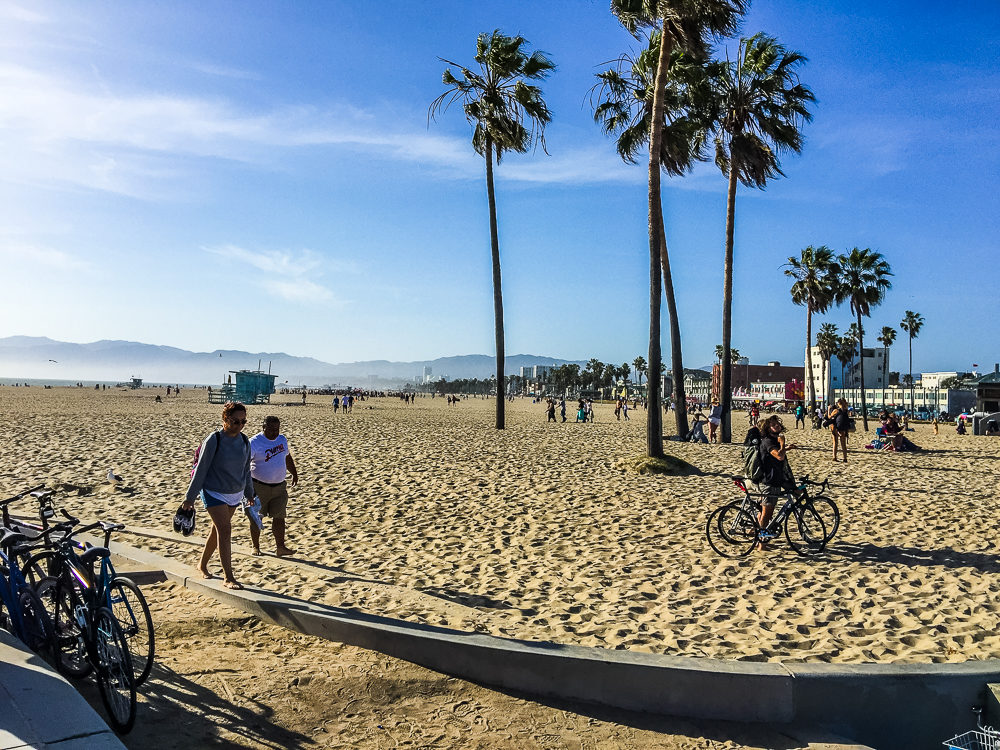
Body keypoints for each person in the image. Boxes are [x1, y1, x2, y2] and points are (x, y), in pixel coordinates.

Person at [185, 401, 254, 589]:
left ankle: (202, 564)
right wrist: (189, 497)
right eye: (235, 421)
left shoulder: (244, 441)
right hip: (213, 491)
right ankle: (228, 577)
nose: (239, 425)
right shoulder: (214, 439)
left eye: (243, 422)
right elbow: (201, 469)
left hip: (235, 493)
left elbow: (246, 470)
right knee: (225, 530)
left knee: (217, 531)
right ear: (225, 419)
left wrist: (249, 493)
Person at [249, 415, 299, 556]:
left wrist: (294, 473)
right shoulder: (254, 442)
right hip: (259, 486)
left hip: (279, 487)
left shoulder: (282, 439)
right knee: (257, 517)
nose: (274, 432)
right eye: (271, 429)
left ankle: (280, 547)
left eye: (276, 429)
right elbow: (244, 465)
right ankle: (256, 546)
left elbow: (287, 457)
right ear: (263, 427)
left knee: (279, 517)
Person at [757, 415, 797, 551]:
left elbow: (780, 454)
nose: (777, 426)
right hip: (769, 481)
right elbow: (779, 456)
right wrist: (782, 444)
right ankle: (761, 544)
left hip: (775, 480)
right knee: (766, 514)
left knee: (764, 512)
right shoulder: (768, 441)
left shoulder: (772, 440)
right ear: (768, 428)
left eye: (778, 424)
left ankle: (758, 535)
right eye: (773, 425)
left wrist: (786, 448)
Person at [827, 398, 851, 463]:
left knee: (835, 442)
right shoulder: (846, 411)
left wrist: (829, 409)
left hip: (835, 427)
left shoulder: (836, 411)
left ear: (838, 403)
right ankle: (845, 458)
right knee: (843, 443)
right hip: (843, 428)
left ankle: (834, 457)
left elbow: (829, 417)